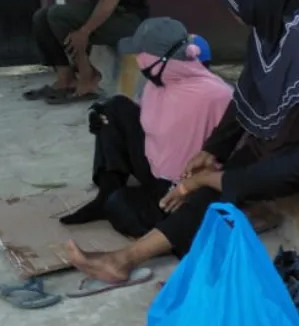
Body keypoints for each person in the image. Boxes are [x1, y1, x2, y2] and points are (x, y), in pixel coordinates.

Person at [64, 0, 299, 283]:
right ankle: (123, 261)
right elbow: (245, 98)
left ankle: (139, 256)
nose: (231, 12)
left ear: (254, 2)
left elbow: (292, 133)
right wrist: (212, 150)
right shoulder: (266, 33)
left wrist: (216, 177)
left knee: (222, 183)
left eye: (234, 4)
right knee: (207, 189)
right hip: (279, 137)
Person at [59, 17, 233, 238]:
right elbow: (143, 119)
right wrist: (103, 122)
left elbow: (232, 155)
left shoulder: (217, 95)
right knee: (113, 108)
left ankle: (173, 231)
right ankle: (105, 194)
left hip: (184, 184)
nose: (138, 60)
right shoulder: (157, 83)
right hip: (154, 165)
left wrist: (192, 187)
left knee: (121, 206)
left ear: (162, 58)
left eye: (142, 54)